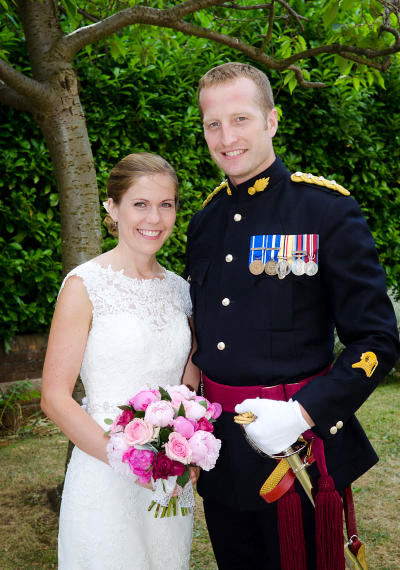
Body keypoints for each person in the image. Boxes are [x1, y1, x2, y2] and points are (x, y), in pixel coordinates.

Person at [185, 62, 400, 569]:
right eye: (213, 124)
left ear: (272, 121)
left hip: (297, 450)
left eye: (240, 119)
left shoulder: (325, 210)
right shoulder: (204, 221)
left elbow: (377, 340)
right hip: (220, 454)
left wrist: (303, 414)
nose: (226, 136)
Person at [41, 152, 200, 570]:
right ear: (112, 207)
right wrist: (129, 462)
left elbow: (189, 380)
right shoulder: (84, 285)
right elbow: (55, 398)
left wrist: (189, 443)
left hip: (170, 477)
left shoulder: (182, 291)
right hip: (103, 474)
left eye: (166, 204)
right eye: (140, 204)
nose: (155, 218)